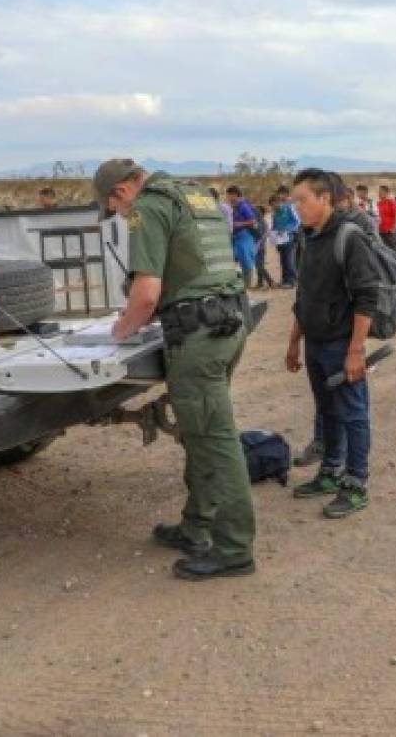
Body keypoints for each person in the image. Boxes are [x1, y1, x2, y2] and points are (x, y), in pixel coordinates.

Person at [94, 158, 255, 581]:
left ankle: (234, 549)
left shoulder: (148, 208)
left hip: (199, 338)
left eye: (115, 208)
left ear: (121, 192)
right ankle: (196, 526)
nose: (119, 214)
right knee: (200, 433)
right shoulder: (194, 194)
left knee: (214, 439)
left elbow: (146, 294)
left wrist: (121, 330)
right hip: (228, 323)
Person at [285, 168, 381, 519]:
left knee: (353, 414)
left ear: (324, 198)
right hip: (315, 344)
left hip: (342, 344)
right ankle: (330, 472)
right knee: (327, 411)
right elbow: (304, 295)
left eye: (302, 200)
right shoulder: (308, 238)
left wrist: (356, 350)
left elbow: (366, 298)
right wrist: (294, 343)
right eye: (294, 201)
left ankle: (356, 483)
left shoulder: (349, 237)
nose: (297, 207)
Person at [225, 186, 258, 283]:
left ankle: (247, 284)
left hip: (244, 236)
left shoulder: (243, 206)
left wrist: (239, 224)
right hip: (235, 237)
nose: (228, 197)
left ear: (235, 195)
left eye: (229, 195)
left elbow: (253, 221)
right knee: (234, 259)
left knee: (246, 260)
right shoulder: (232, 206)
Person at [269, 191, 299, 287]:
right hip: (279, 241)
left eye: (275, 205)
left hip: (289, 239)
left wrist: (286, 229)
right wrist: (272, 234)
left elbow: (297, 222)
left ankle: (292, 281)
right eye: (272, 206)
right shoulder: (275, 214)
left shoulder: (289, 208)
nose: (274, 207)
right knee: (282, 261)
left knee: (289, 260)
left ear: (279, 202)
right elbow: (274, 226)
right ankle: (285, 280)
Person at [376, 184, 396, 251]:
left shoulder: (392, 202)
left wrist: (394, 228)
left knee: (393, 249)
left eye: (381, 192)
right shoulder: (378, 203)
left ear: (386, 192)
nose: (379, 193)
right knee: (384, 250)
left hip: (390, 231)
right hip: (380, 230)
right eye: (379, 192)